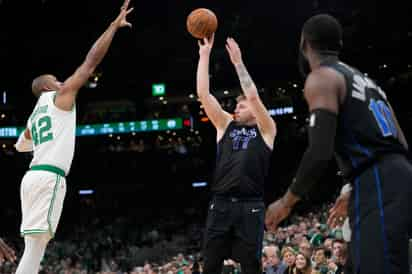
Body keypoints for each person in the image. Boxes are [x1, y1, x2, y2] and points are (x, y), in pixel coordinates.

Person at [265, 14, 412, 274]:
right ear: (339, 44)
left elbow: (319, 152)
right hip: (392, 175)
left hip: (376, 179)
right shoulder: (368, 82)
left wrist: (286, 202)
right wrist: (356, 186)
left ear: (304, 44)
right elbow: (400, 141)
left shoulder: (322, 77)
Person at [13, 1, 134, 273]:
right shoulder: (58, 96)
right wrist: (113, 26)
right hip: (47, 178)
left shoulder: (35, 114)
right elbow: (90, 63)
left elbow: (21, 145)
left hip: (31, 178)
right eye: (56, 79)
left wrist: (37, 144)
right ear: (47, 86)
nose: (61, 82)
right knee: (35, 249)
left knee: (34, 247)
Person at [196, 34, 277, 274]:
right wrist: (204, 55)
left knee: (251, 266)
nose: (235, 108)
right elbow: (203, 93)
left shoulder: (267, 129)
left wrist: (238, 63)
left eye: (240, 106)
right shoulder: (225, 125)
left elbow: (252, 96)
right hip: (220, 203)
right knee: (210, 265)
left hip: (250, 205)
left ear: (255, 110)